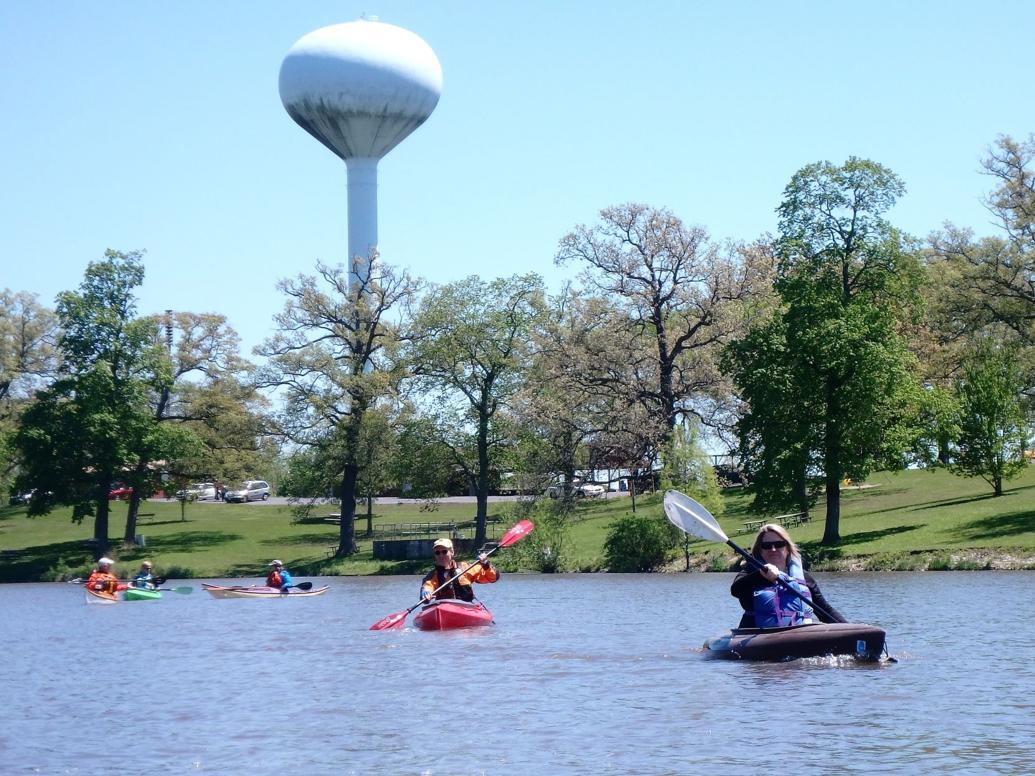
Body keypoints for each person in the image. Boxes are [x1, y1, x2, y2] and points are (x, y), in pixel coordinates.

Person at [730, 524, 846, 629]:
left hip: (796, 635)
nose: (773, 549)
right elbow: (736, 590)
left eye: (779, 544)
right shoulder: (751, 572)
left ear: (787, 548)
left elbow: (824, 610)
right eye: (767, 545)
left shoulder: (803, 577)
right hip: (758, 636)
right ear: (760, 550)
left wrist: (850, 628)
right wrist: (761, 575)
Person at [420, 538, 498, 603]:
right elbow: (427, 586)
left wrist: (485, 564)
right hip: (443, 607)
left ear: (452, 552)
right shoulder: (432, 576)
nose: (441, 555)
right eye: (437, 553)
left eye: (444, 552)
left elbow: (493, 578)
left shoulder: (465, 567)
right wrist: (426, 593)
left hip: (466, 607)